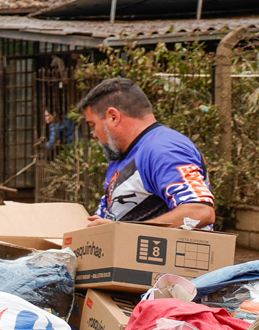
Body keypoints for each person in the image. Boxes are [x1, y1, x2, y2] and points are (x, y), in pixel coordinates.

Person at [77, 78, 216, 229]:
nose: (94, 134)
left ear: (113, 117)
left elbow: (200, 211)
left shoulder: (163, 149)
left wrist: (126, 231)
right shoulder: (122, 155)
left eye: (93, 125)